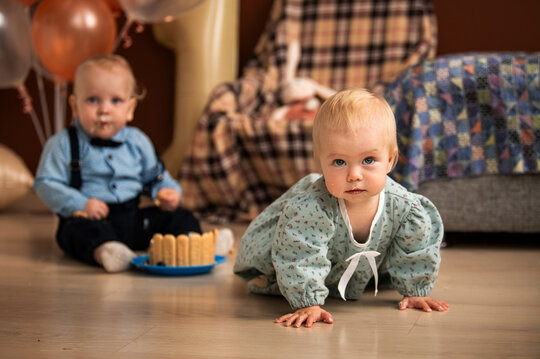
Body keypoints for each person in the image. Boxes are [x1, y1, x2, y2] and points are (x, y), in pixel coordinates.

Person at [233, 88, 449, 328]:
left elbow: (415, 248)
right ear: (321, 163)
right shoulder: (312, 208)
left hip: (351, 265)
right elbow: (300, 252)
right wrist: (308, 302)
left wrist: (415, 289)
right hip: (291, 254)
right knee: (284, 261)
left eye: (368, 160)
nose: (354, 175)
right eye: (339, 162)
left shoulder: (405, 207)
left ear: (390, 160)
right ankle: (272, 277)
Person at [34, 54, 202, 272]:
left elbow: (155, 176)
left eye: (116, 101)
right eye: (93, 100)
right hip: (90, 219)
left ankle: (194, 244)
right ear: (75, 106)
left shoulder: (137, 142)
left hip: (133, 220)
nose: (105, 109)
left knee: (180, 217)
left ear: (130, 108)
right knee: (73, 232)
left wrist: (167, 191)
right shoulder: (63, 143)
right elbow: (45, 183)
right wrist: (80, 203)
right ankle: (107, 251)